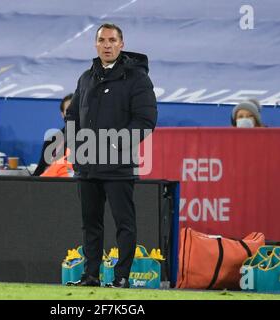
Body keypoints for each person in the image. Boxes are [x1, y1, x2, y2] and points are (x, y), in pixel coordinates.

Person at [65, 23, 157, 288]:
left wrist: (116, 145)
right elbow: (72, 115)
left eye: (112, 40)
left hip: (118, 165)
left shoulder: (137, 78)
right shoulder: (86, 77)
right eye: (102, 40)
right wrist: (77, 145)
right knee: (90, 224)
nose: (107, 45)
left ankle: (122, 277)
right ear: (95, 44)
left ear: (122, 44)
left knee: (123, 224)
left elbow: (146, 119)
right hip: (87, 166)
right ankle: (90, 275)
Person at [33, 94, 73, 176]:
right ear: (62, 114)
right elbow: (40, 169)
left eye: (76, 109)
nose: (73, 114)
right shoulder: (52, 141)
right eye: (69, 110)